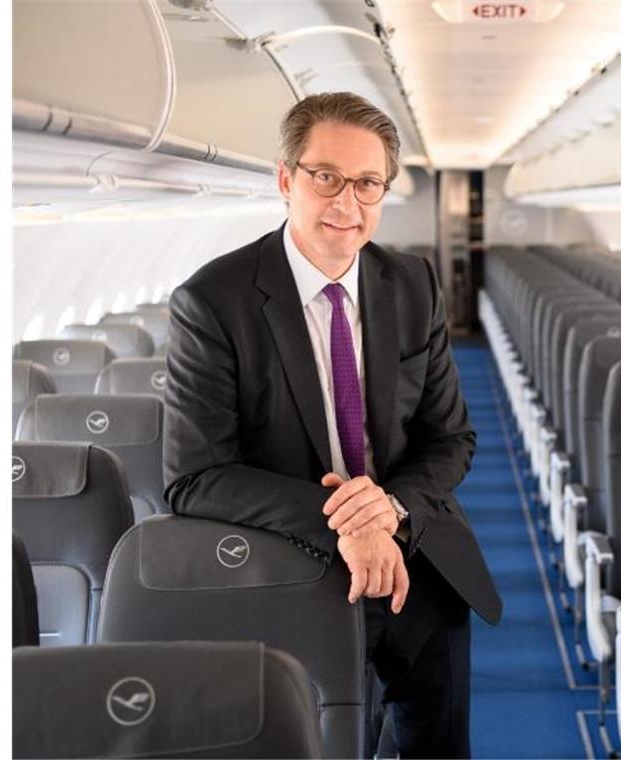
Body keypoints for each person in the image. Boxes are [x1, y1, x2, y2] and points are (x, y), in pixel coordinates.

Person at [162, 91, 501, 758]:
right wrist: (348, 519)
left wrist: (389, 509)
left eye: (368, 183)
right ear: (286, 178)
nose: (347, 203)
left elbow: (451, 437)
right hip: (292, 570)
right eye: (326, 177)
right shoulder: (213, 301)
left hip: (420, 563)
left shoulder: (412, 283)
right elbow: (195, 478)